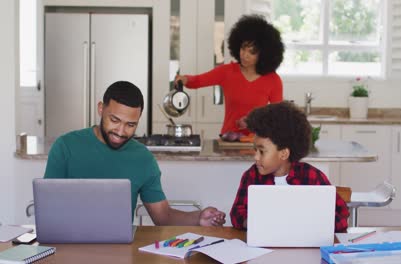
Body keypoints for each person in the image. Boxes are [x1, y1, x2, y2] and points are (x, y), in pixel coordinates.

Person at [44, 81, 226, 226]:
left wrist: (198, 218)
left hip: (119, 251)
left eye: (131, 125)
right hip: (68, 247)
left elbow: (163, 217)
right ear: (101, 109)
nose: (121, 131)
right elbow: (48, 209)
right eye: (114, 120)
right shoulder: (66, 146)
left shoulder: (143, 158)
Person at [229, 101, 349, 232]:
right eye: (255, 150)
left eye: (262, 151)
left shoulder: (312, 177)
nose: (256, 157)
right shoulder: (251, 176)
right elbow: (236, 213)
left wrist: (313, 221)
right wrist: (251, 222)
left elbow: (342, 216)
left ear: (284, 153)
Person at [175, 14, 284, 136]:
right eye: (243, 48)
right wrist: (184, 79)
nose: (245, 55)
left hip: (257, 143)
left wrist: (253, 122)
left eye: (252, 52)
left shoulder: (273, 80)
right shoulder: (227, 72)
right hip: (228, 140)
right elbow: (198, 80)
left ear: (263, 54)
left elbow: (277, 116)